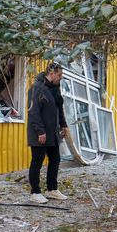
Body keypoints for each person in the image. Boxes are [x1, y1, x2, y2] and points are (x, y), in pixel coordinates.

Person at [27, 62, 69, 204]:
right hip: (40, 133)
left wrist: (63, 124)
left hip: (53, 132)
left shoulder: (55, 88)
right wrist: (40, 131)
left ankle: (52, 189)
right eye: (59, 75)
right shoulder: (37, 88)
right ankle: (35, 192)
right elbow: (33, 112)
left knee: (55, 159)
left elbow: (59, 108)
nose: (61, 78)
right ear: (51, 73)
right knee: (37, 161)